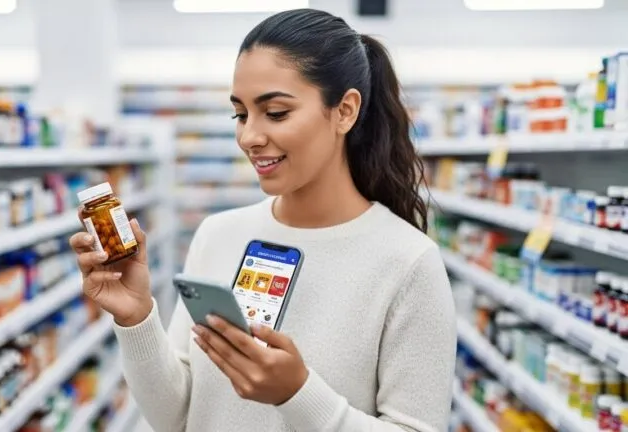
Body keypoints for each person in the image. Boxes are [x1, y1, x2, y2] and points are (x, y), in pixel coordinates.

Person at [70, 8, 455, 432]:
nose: (249, 137)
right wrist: (137, 317)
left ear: (345, 111)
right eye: (240, 114)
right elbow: (177, 418)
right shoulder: (218, 235)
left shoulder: (408, 262)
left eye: (275, 113)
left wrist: (297, 394)